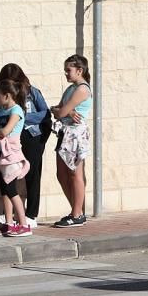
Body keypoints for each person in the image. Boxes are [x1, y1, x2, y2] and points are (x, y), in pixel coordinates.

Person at [0, 64, 51, 228]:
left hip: (31, 136)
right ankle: (8, 217)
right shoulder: (0, 96)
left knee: (32, 175)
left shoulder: (32, 92)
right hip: (6, 144)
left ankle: (30, 216)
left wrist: (21, 119)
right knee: (7, 180)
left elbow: (45, 114)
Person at [51, 54, 92, 228]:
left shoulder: (82, 89)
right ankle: (75, 210)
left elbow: (59, 112)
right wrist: (62, 111)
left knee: (75, 173)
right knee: (62, 174)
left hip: (75, 134)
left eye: (69, 70)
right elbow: (57, 109)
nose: (66, 74)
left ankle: (77, 214)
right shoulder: (70, 89)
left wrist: (61, 111)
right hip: (65, 132)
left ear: (79, 70)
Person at [0, 79, 31, 237]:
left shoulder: (16, 111)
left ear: (7, 95)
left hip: (10, 154)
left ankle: (24, 225)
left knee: (12, 190)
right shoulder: (0, 112)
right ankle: (9, 224)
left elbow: (5, 131)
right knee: (4, 190)